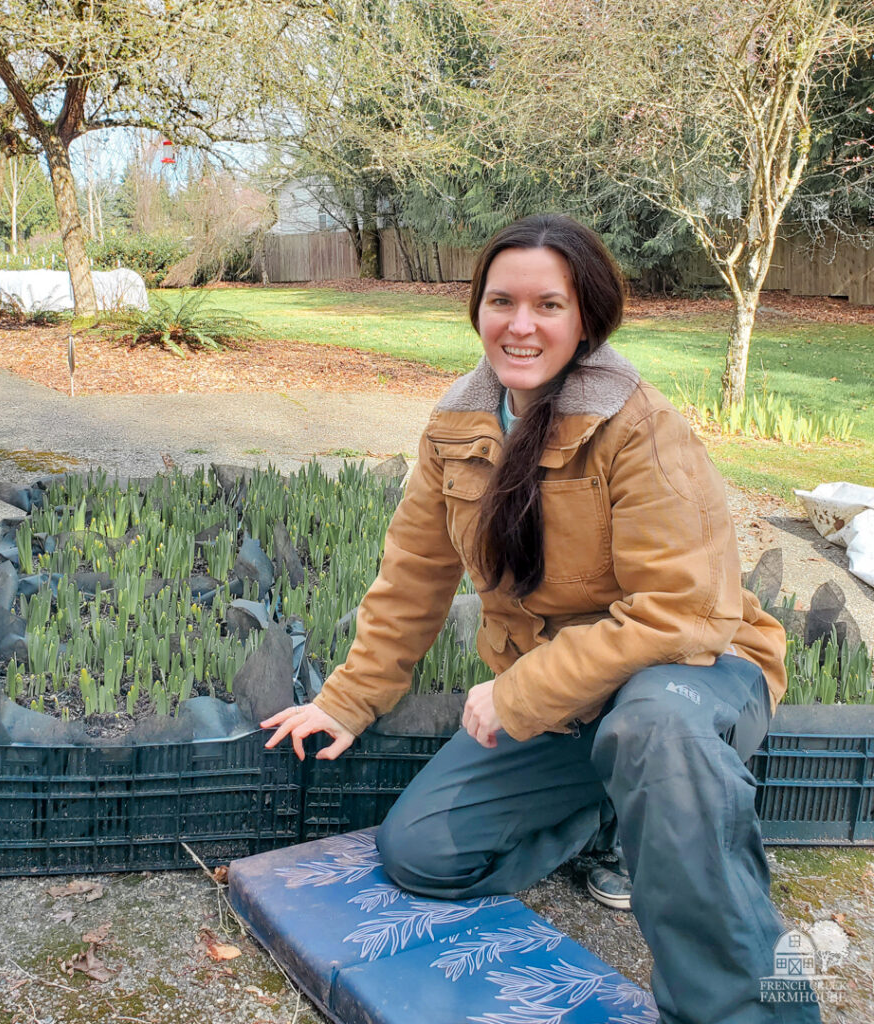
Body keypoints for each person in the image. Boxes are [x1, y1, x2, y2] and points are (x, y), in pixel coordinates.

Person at [262, 214, 814, 1024]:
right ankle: (622, 812)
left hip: (697, 673)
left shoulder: (641, 429)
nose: (520, 325)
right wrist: (346, 700)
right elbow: (414, 576)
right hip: (572, 704)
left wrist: (521, 692)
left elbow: (683, 615)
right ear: (477, 309)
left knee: (654, 728)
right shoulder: (457, 428)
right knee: (420, 854)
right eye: (500, 302)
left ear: (585, 315)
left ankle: (747, 1010)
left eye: (547, 305)